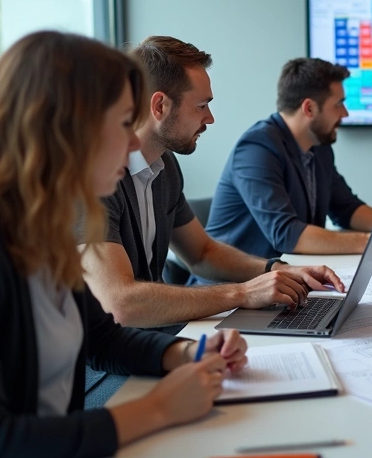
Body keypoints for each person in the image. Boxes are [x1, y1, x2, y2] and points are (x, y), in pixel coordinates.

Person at [0, 32, 250, 458]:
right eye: (123, 124)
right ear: (65, 131)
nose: (130, 143)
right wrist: (159, 408)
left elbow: (101, 338)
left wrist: (187, 355)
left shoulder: (42, 230)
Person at [82, 37, 343, 328]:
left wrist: (279, 269)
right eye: (202, 105)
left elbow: (202, 253)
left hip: (154, 335)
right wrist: (242, 293)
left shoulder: (165, 165)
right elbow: (120, 305)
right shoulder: (94, 177)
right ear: (160, 106)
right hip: (109, 361)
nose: (210, 118)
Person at [202, 57, 372, 259]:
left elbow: (346, 207)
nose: (345, 113)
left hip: (286, 280)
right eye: (339, 104)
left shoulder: (318, 147)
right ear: (309, 108)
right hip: (233, 288)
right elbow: (286, 234)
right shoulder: (257, 149)